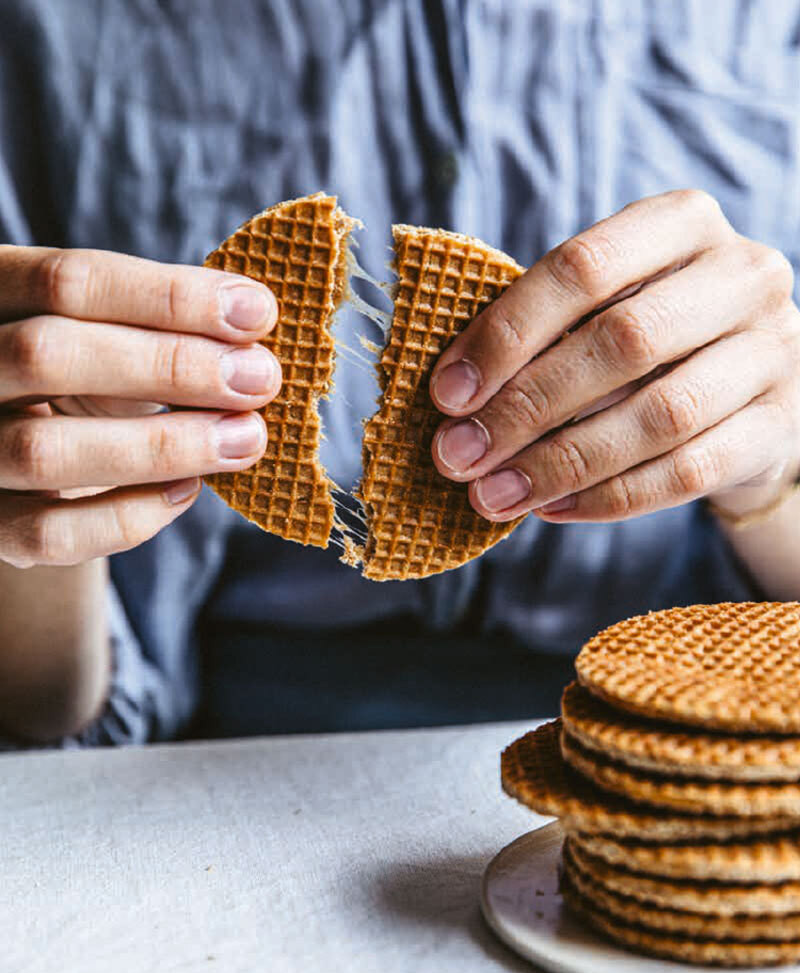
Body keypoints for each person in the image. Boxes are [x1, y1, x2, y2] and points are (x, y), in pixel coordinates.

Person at [1, 0, 799, 747]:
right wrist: (33, 502)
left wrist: (778, 477)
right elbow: (43, 713)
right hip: (208, 747)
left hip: (700, 718)